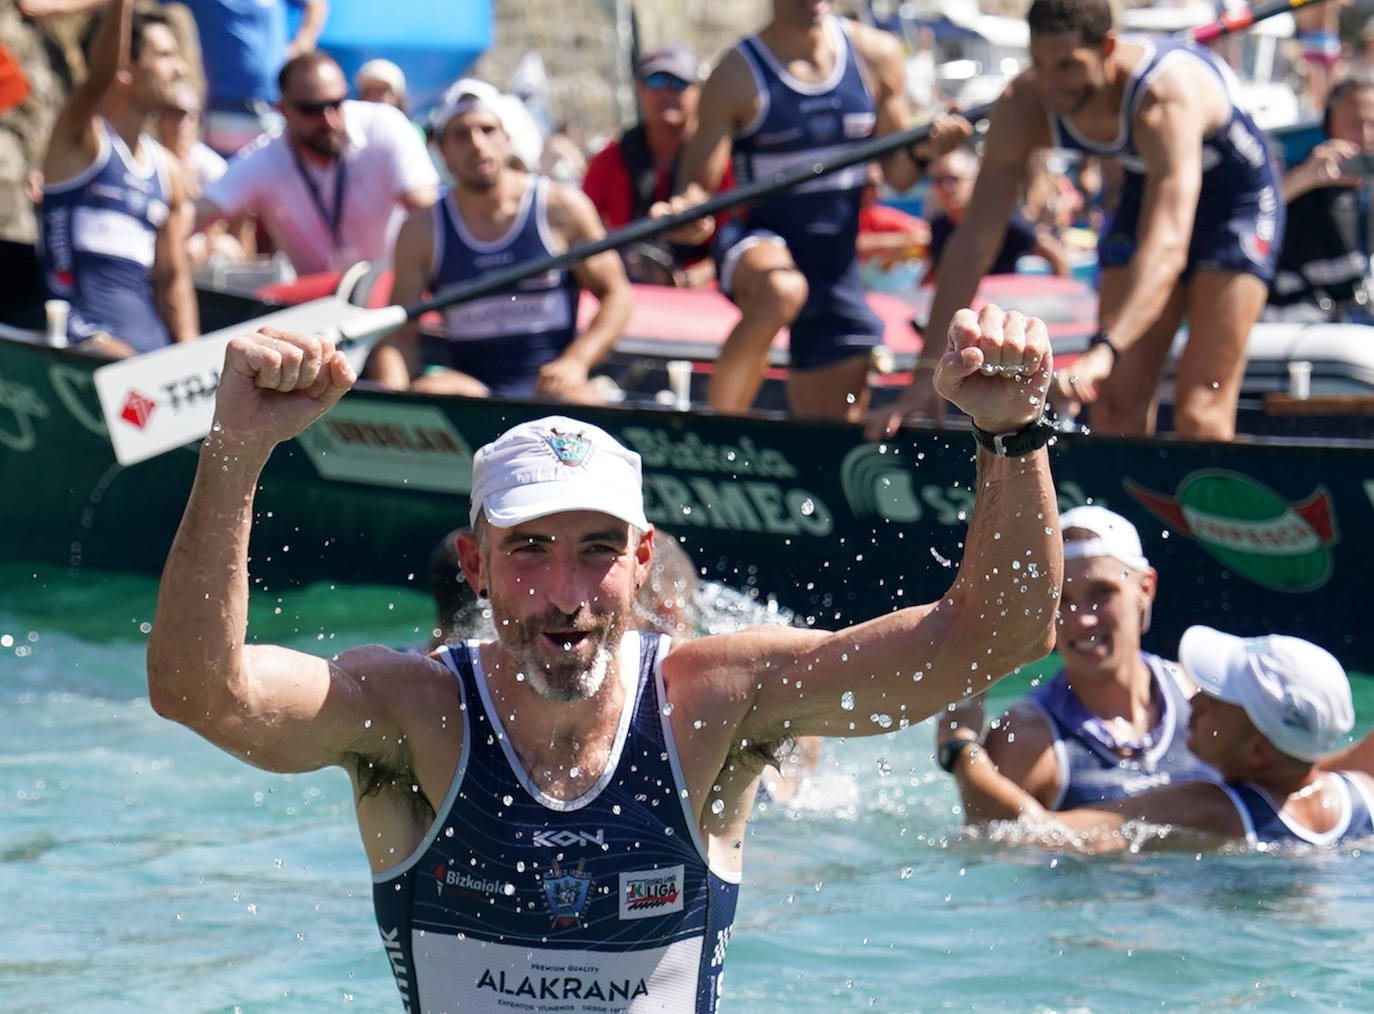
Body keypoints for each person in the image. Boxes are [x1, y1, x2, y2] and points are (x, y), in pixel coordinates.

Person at [145, 303, 1062, 1010]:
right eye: (530, 552)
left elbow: (995, 638)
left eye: (597, 551)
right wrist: (236, 450)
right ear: (477, 566)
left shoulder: (719, 700)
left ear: (643, 559)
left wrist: (1013, 432)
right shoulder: (412, 715)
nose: (566, 595)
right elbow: (199, 692)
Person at [868, 0, 1283, 442]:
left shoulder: (1164, 100)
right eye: (1039, 64)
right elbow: (974, 243)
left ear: (1106, 48)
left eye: (1067, 66)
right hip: (1148, 192)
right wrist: (925, 376)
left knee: (1200, 412)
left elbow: (1167, 248)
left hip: (1235, 205)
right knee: (1115, 408)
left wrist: (1105, 348)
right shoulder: (1024, 102)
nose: (1051, 84)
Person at [658, 0, 969, 422]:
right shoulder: (735, 73)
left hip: (834, 266)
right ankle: (717, 435)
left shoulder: (876, 54)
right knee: (782, 290)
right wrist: (686, 212)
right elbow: (697, 188)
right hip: (761, 241)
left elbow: (898, 175)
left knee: (827, 436)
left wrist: (928, 149)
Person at [940, 626, 1374, 851]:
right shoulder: (1362, 794)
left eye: (1217, 696)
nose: (1196, 698)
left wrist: (961, 748)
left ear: (1259, 751)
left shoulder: (1208, 809)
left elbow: (1027, 836)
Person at [937, 505, 1218, 824]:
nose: (1081, 619)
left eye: (1101, 592)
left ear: (1145, 588)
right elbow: (994, 850)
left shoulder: (1199, 698)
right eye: (1062, 600)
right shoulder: (1026, 736)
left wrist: (958, 752)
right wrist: (964, 750)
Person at [368, 79, 631, 401]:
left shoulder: (561, 207)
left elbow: (617, 294)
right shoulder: (421, 231)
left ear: (507, 139)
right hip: (473, 391)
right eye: (461, 135)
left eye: (487, 130)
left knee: (581, 398)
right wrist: (394, 404)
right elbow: (400, 336)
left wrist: (577, 360)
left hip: (554, 387)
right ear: (442, 151)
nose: (477, 145)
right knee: (435, 389)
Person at [38, 0, 198, 357]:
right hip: (81, 344)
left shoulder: (167, 169)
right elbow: (101, 76)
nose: (181, 68)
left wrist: (194, 363)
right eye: (165, 56)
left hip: (149, 356)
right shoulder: (78, 141)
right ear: (126, 66)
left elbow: (174, 281)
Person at [196, 51, 438, 277]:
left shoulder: (383, 124)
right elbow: (198, 214)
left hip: (392, 292)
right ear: (283, 110)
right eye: (311, 110)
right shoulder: (267, 156)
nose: (329, 120)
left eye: (335, 104)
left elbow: (429, 212)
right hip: (318, 307)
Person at [582, 43, 726, 287]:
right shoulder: (610, 158)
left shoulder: (721, 156)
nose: (665, 93)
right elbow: (583, 231)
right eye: (655, 83)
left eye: (679, 84)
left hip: (708, 295)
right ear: (639, 91)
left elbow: (744, 236)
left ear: (700, 91)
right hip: (627, 286)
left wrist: (687, 279)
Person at [1265, 76, 1374, 323]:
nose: (1365, 135)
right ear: (1330, 128)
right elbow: (1256, 214)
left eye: (1373, 124)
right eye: (1355, 124)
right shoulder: (1297, 180)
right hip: (1299, 326)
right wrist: (1305, 178)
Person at [175, 0, 329, 156]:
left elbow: (315, 4)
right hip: (225, 108)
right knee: (230, 175)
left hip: (278, 105)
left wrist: (300, 46)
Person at [922, 146, 1071, 285]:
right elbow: (938, 273)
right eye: (938, 180)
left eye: (954, 179)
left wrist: (1063, 299)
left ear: (975, 181)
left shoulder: (1001, 222)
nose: (946, 187)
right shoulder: (939, 227)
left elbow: (1056, 257)